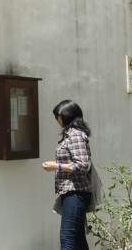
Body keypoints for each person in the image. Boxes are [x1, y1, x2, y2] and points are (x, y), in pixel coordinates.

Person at [42, 100, 93, 250]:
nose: (58, 120)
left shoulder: (75, 135)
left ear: (67, 115)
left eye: (59, 116)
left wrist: (56, 166)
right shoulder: (69, 134)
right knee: (76, 237)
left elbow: (83, 164)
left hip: (76, 192)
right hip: (70, 191)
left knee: (67, 237)